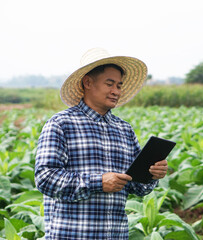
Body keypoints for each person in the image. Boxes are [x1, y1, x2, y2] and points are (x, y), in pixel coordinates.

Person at [35, 48, 168, 239]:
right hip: (71, 234)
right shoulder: (61, 124)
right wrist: (99, 182)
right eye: (110, 84)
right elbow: (45, 178)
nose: (116, 91)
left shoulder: (124, 129)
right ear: (88, 82)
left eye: (119, 86)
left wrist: (152, 175)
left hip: (115, 234)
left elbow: (138, 188)